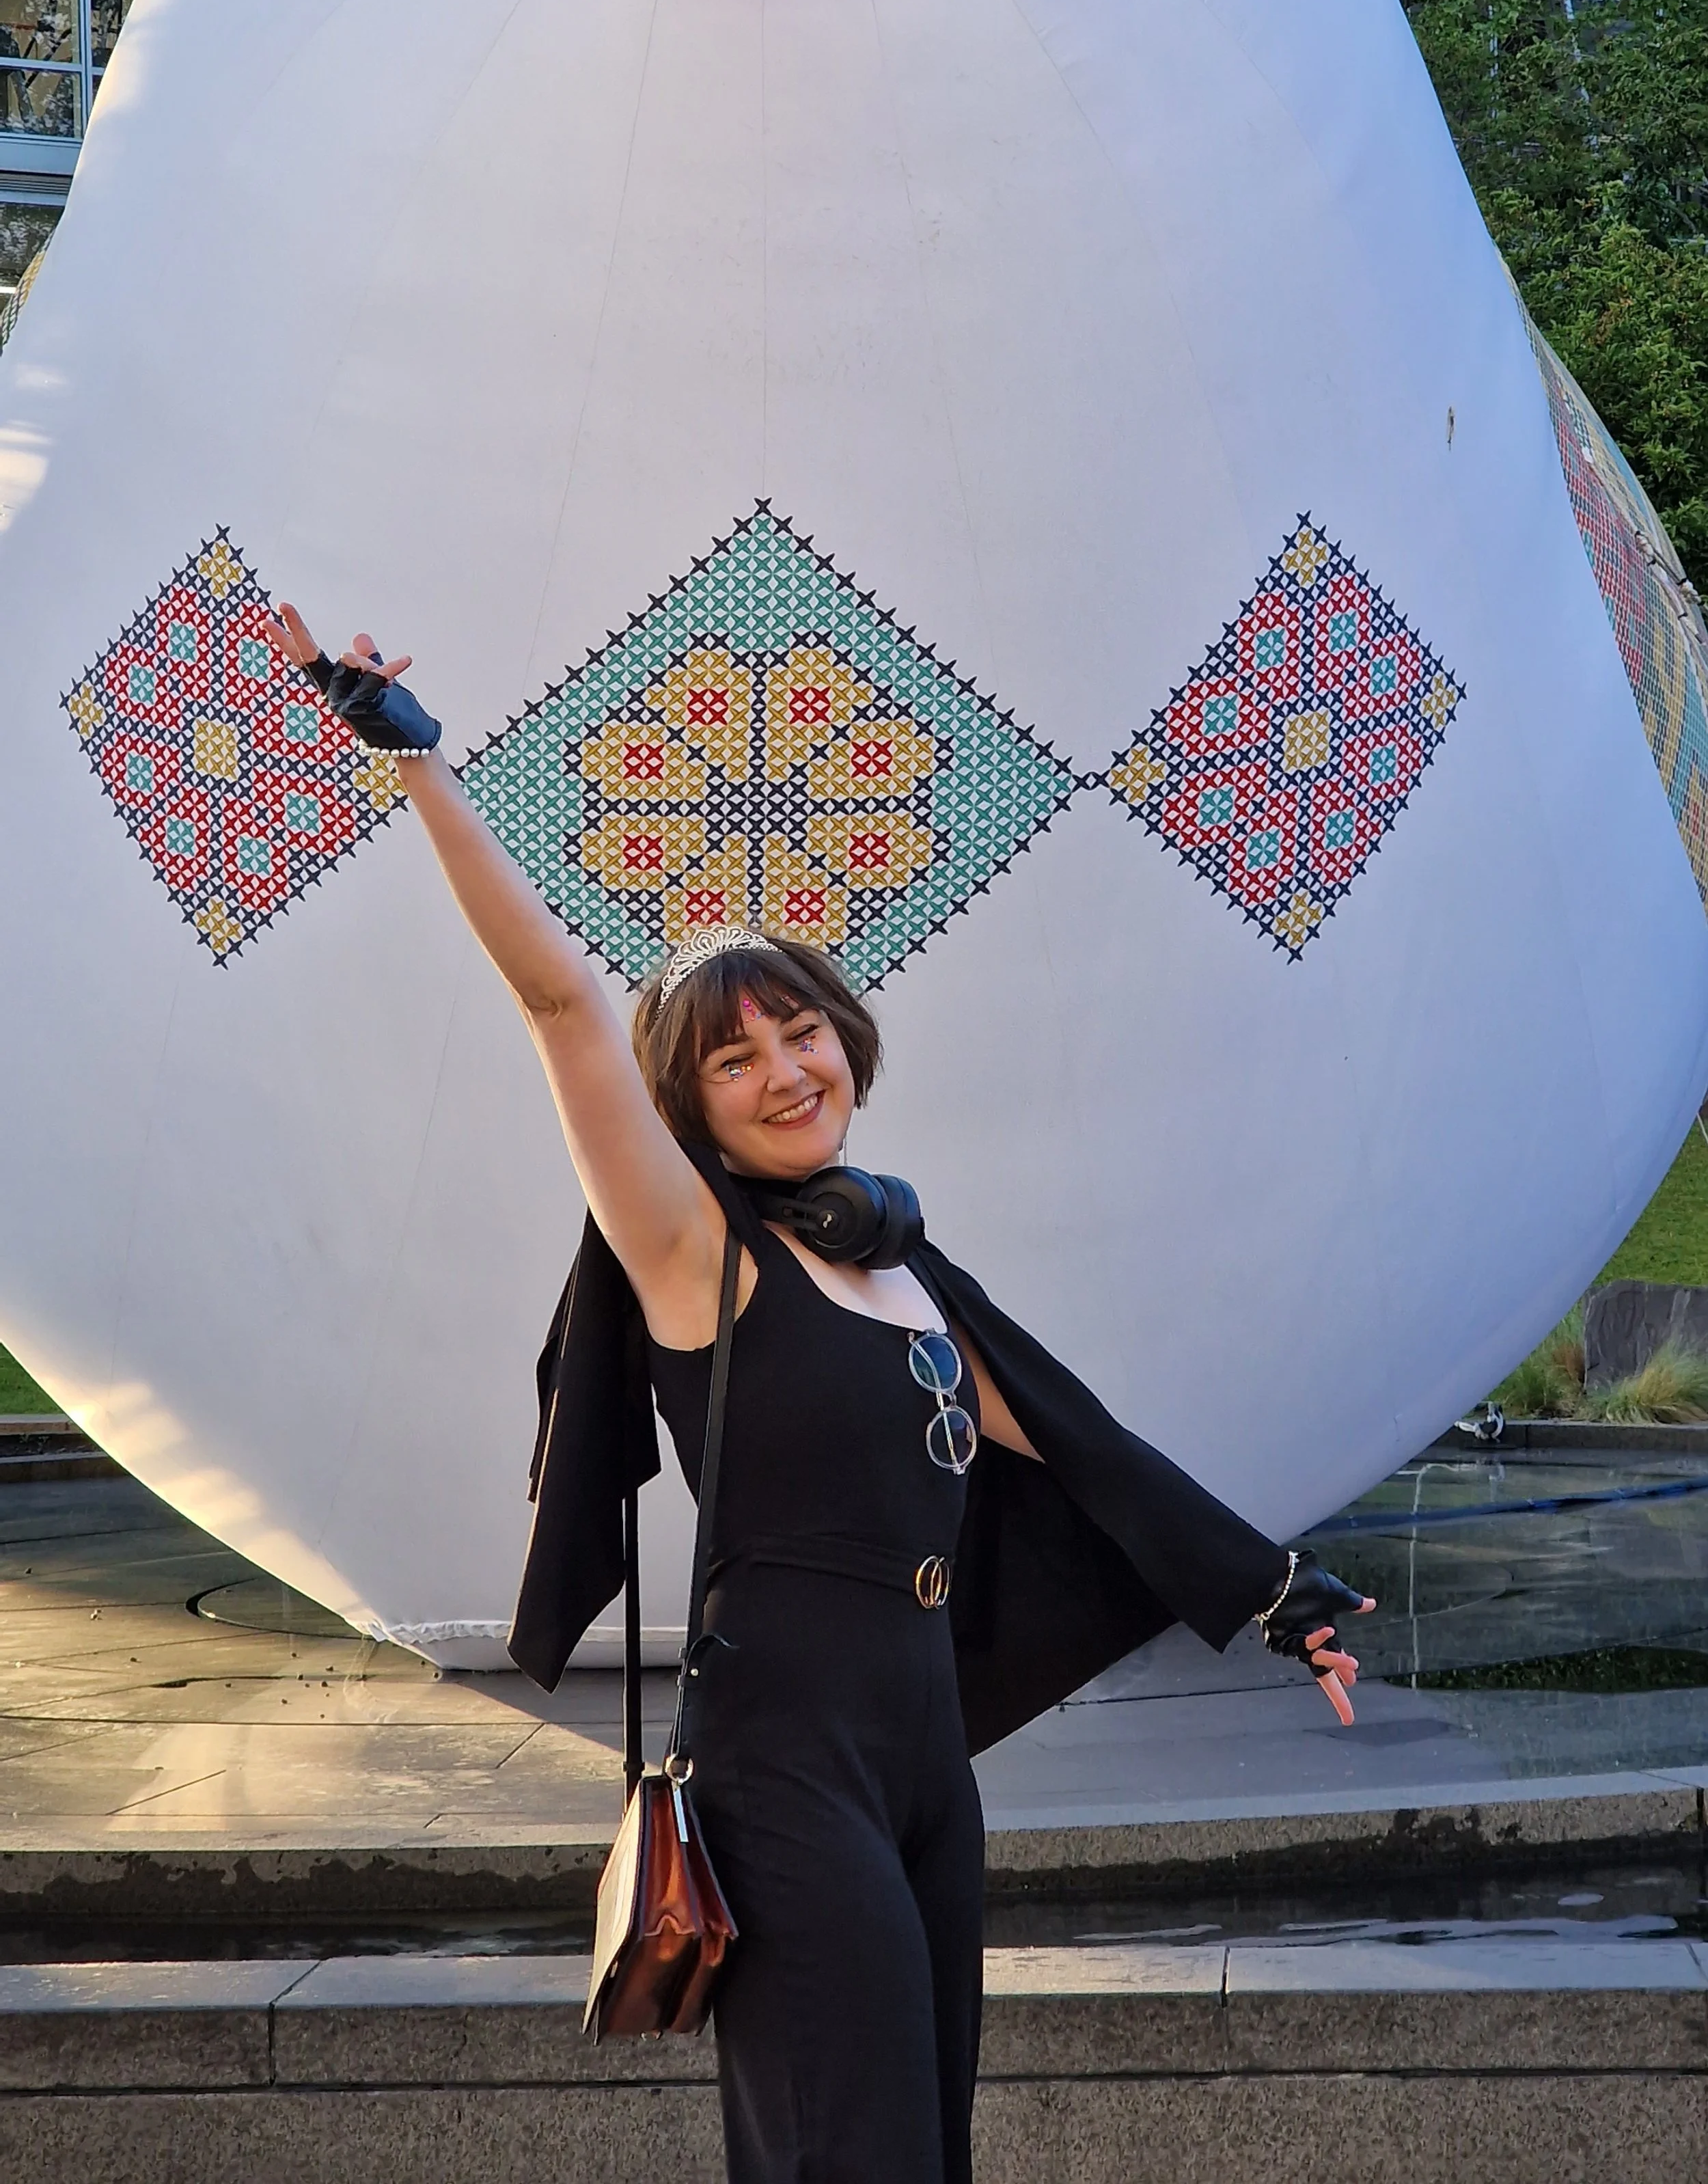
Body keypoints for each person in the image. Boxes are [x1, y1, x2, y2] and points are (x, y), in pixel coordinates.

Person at [264, 606, 1374, 2184]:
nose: (788, 1071)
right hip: (781, 1752)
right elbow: (565, 1008)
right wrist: (417, 764)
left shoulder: (911, 1274)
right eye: (736, 1060)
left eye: (800, 1031)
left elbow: (1081, 1449)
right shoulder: (685, 1250)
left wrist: (1273, 1592)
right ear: (689, 1105)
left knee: (921, 2145)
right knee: (848, 2153)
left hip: (925, 1759)